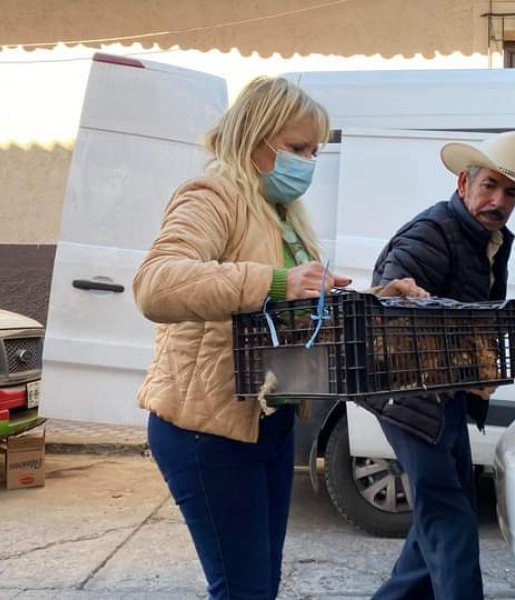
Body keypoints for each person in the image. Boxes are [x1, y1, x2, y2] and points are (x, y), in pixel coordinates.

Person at [132, 76, 352, 600]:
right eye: (297, 148)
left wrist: (381, 296)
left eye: (313, 150)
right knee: (243, 591)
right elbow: (156, 284)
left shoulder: (281, 215)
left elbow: (297, 306)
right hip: (208, 430)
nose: (308, 162)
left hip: (267, 423)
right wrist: (273, 282)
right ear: (255, 136)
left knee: (258, 588)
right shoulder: (214, 195)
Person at [366, 131, 515, 599]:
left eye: (511, 193)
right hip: (411, 396)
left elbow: (459, 305)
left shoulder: (487, 237)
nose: (498, 201)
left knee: (441, 514)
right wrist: (505, 322)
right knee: (451, 517)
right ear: (464, 183)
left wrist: (513, 323)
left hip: (444, 394)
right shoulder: (432, 231)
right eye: (489, 186)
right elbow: (393, 305)